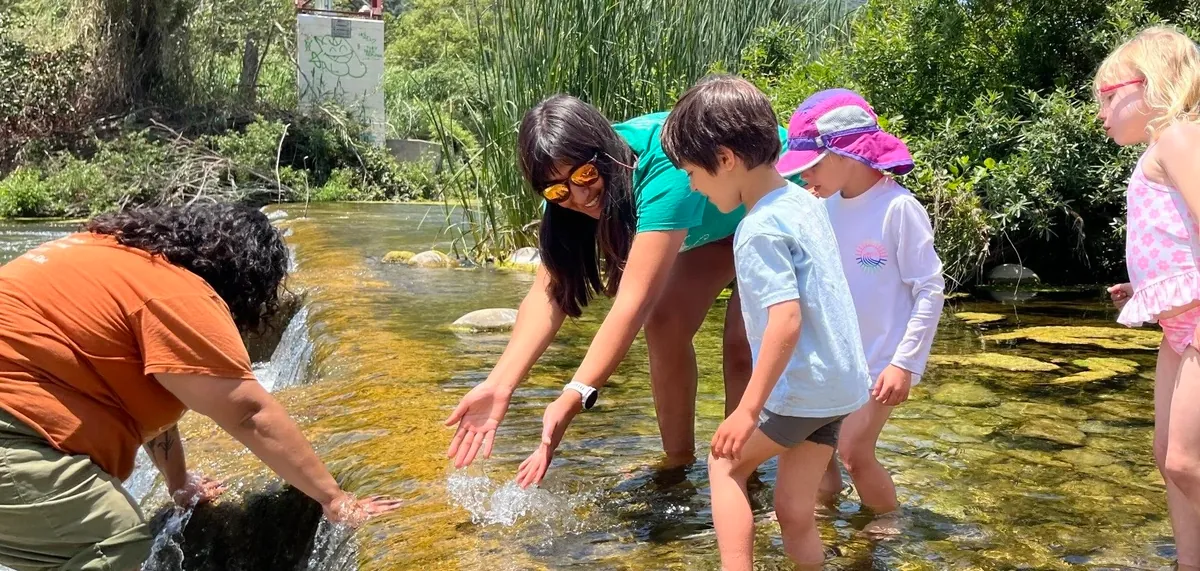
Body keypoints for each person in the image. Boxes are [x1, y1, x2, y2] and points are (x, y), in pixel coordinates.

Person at [0, 204, 399, 570]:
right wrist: (334, 498)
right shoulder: (178, 293)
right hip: (11, 436)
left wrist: (178, 483)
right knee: (113, 541)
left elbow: (152, 396)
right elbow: (249, 413)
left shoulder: (107, 251)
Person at [443, 94, 797, 486]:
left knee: (742, 342)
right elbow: (549, 294)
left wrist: (576, 393)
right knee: (665, 323)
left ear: (605, 151)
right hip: (715, 226)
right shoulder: (562, 192)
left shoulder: (668, 168)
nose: (578, 196)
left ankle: (742, 472)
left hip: (772, 197)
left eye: (584, 177)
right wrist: (500, 384)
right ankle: (677, 466)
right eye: (557, 190)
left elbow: (633, 302)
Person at [660, 74, 870, 570]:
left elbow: (786, 320)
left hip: (805, 389)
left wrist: (746, 411)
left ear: (726, 159)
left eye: (692, 172)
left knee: (724, 464)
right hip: (841, 385)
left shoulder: (757, 228)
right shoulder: (805, 202)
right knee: (794, 508)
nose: (692, 185)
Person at [779, 88, 945, 533]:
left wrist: (904, 363)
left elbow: (929, 289)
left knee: (853, 450)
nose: (804, 176)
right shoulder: (823, 207)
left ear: (846, 153)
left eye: (812, 165)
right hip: (837, 360)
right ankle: (826, 517)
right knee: (818, 447)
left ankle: (887, 524)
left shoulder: (897, 209)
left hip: (881, 361)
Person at [1097, 26, 1200, 570]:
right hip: (1176, 325)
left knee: (1187, 463)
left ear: (1154, 84)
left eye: (1109, 96)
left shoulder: (1181, 138)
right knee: (1169, 460)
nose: (1101, 111)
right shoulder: (1163, 149)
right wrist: (1149, 286)